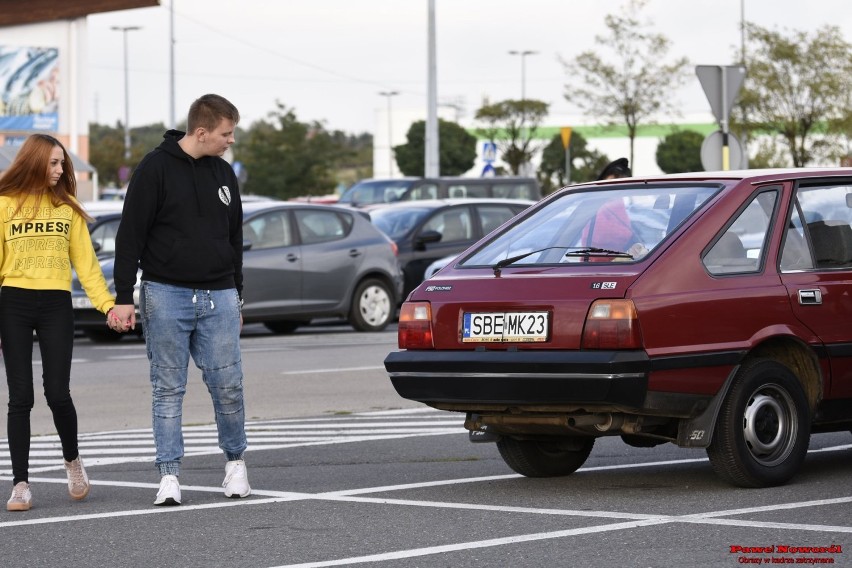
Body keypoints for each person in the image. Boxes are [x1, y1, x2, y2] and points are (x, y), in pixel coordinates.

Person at [111, 94, 250, 506]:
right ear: (202, 131)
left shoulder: (224, 174)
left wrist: (237, 296)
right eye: (226, 134)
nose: (231, 141)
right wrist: (123, 297)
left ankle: (236, 465)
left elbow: (235, 237)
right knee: (168, 389)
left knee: (228, 386)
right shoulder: (154, 169)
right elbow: (129, 235)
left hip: (220, 294)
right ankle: (169, 475)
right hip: (165, 294)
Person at [0, 134, 122, 512]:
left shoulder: (67, 208)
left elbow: (86, 266)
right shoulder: (4, 205)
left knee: (57, 393)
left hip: (56, 303)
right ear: (34, 161)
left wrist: (108, 306)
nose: (59, 170)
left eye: (62, 164)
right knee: (20, 397)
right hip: (14, 302)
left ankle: (73, 462)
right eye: (53, 163)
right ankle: (20, 483)